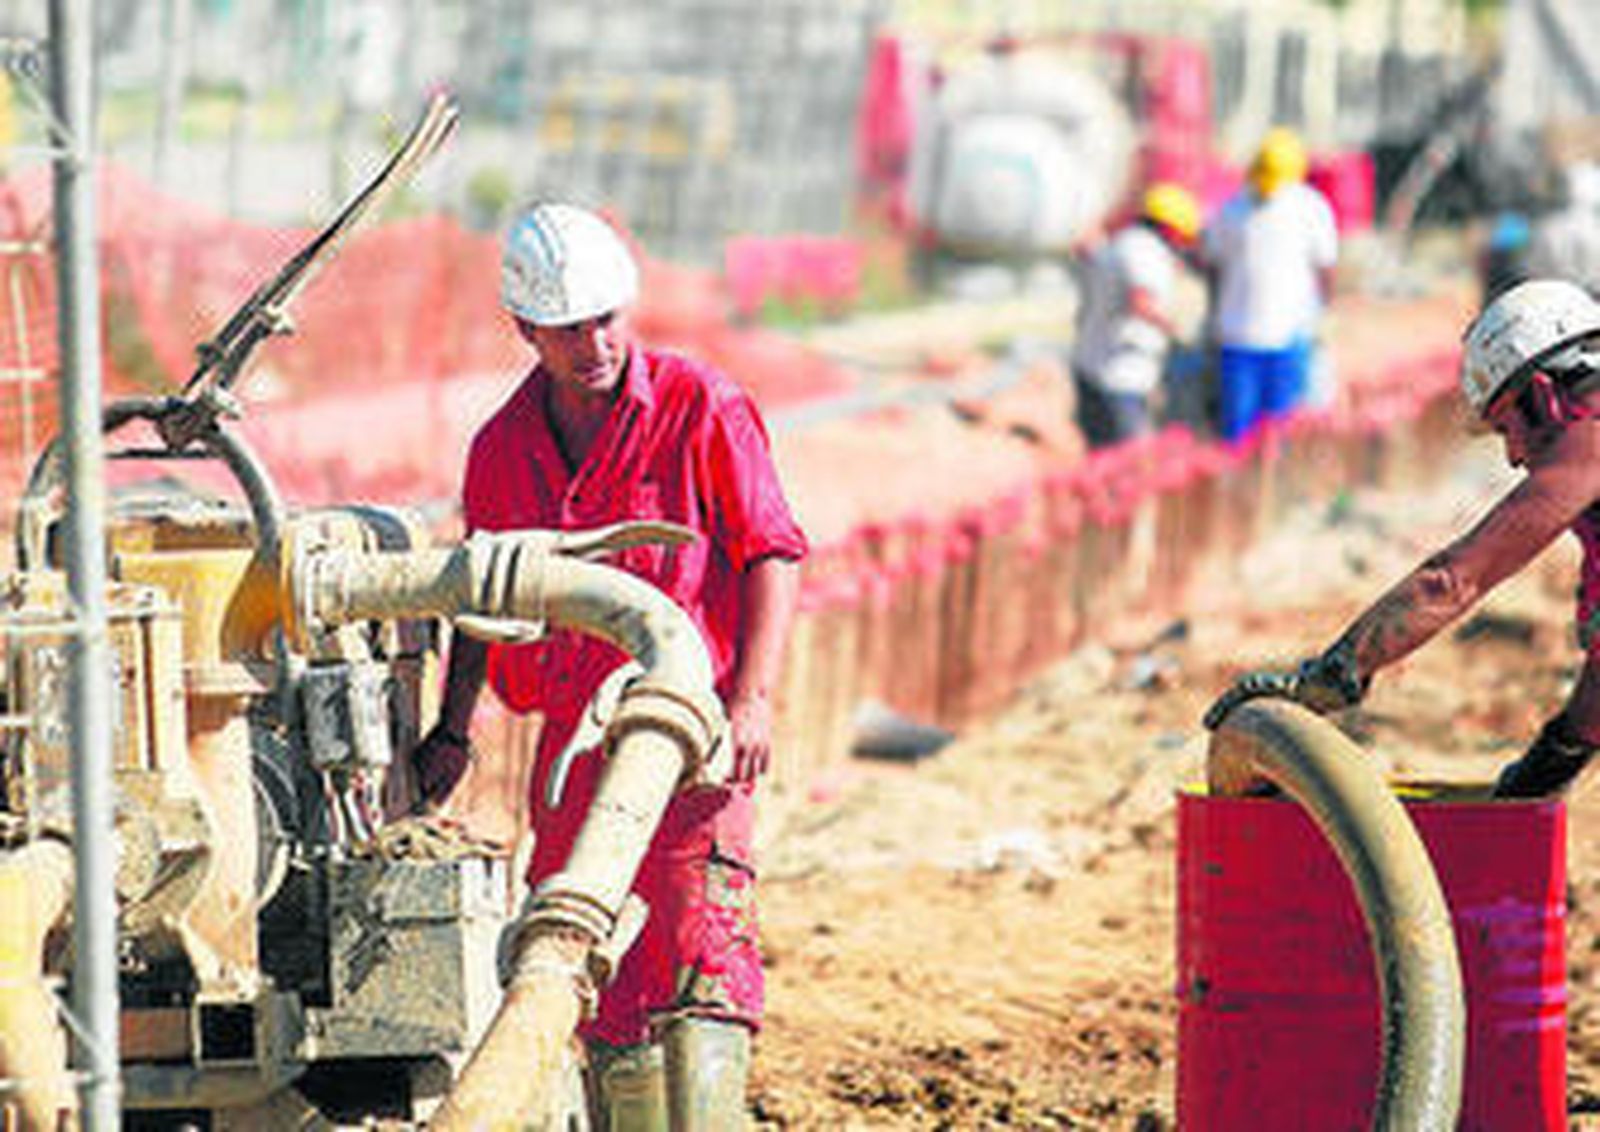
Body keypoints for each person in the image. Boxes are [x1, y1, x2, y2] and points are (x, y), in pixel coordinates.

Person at [407, 202, 808, 1125]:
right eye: (569, 329)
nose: (596, 345)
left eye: (606, 319)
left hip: (690, 740)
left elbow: (771, 551)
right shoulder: (503, 449)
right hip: (573, 753)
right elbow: (483, 599)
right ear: (526, 331)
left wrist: (752, 699)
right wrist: (452, 731)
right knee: (588, 960)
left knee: (702, 956)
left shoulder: (700, 407)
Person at [1204, 278, 1600, 799]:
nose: (1514, 456)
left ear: (1544, 395)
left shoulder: (1588, 440)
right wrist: (1557, 754)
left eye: (1507, 428)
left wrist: (1333, 674)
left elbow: (1452, 582)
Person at [1201, 126, 1339, 443]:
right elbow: (1214, 267)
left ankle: (1276, 476)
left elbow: (1326, 268)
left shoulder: (1311, 209)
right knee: (1238, 434)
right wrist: (1214, 317)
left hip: (1290, 336)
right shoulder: (1232, 211)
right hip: (1238, 337)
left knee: (1282, 430)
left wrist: (1324, 313)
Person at [1070, 182, 1202, 448]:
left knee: (1100, 452)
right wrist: (1178, 330)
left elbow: (1085, 253)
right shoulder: (1146, 253)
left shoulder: (1121, 243)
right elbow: (1141, 302)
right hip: (1121, 375)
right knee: (1131, 456)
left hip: (1091, 366)